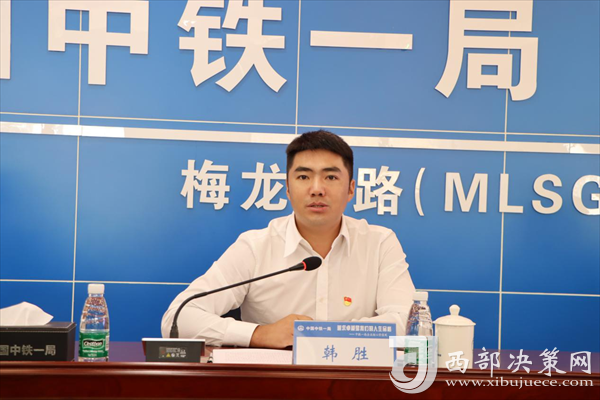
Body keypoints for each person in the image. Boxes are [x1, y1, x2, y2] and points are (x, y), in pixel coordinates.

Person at [161, 130, 415, 348]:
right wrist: (259, 334)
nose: (317, 189)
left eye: (330, 177)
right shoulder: (255, 247)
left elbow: (407, 323)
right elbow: (177, 318)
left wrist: (324, 336)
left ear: (350, 189)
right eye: (303, 177)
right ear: (288, 188)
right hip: (274, 384)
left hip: (352, 382)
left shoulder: (380, 244)